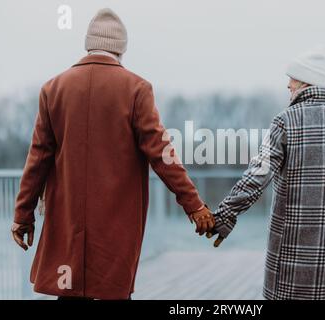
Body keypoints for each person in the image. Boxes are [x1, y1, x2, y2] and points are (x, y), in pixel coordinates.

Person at [11, 8, 214, 300]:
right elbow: (162, 155)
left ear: (88, 43)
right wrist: (193, 205)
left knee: (68, 290)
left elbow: (38, 159)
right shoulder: (136, 89)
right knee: (113, 293)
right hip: (115, 226)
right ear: (121, 49)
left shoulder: (53, 88)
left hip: (66, 221)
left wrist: (23, 214)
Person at [207, 49, 325, 299]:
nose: (288, 84)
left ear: (306, 82)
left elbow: (257, 176)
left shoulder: (285, 121)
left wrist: (226, 214)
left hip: (288, 251)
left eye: (292, 79)